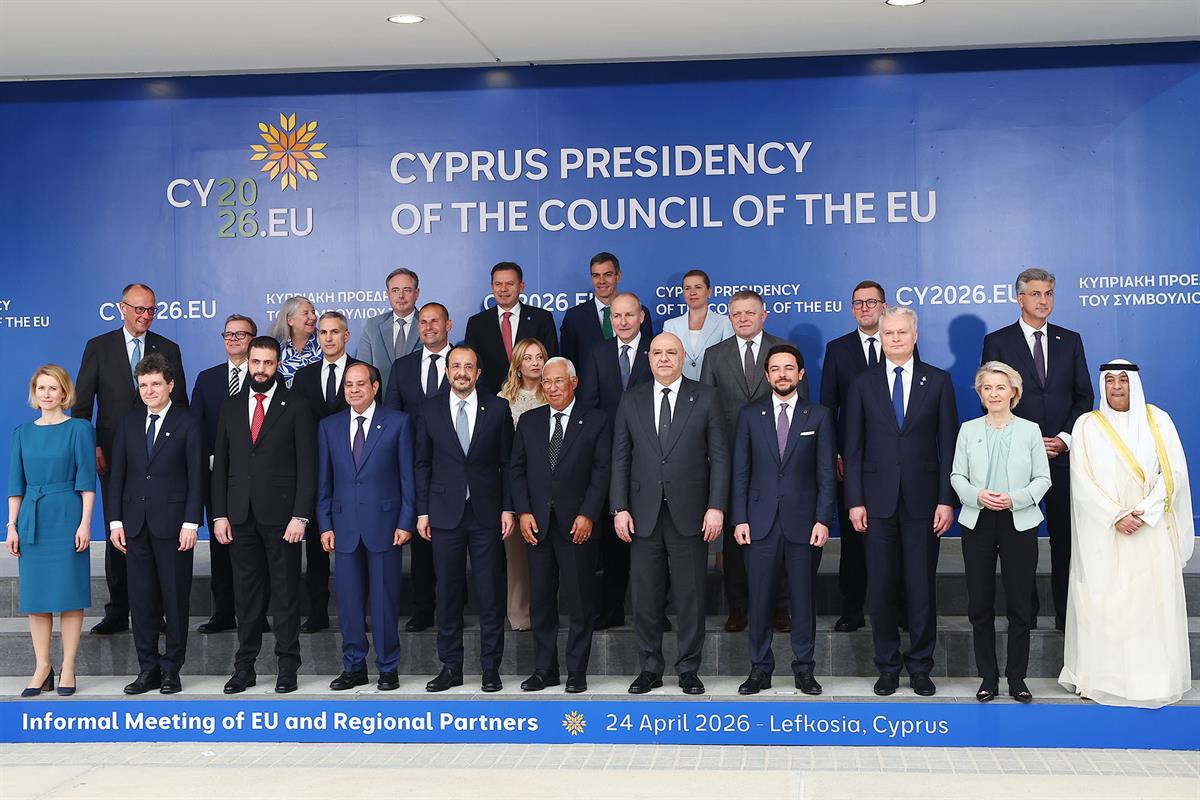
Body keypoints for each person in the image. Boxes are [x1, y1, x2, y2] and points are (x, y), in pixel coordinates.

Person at [1059, 360, 1193, 708]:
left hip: (1149, 529)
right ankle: (1104, 678)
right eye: (1110, 381)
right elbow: (1082, 481)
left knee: (1151, 604)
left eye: (1123, 380)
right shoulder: (1087, 425)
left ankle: (1153, 678)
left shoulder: (1157, 419)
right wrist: (1116, 515)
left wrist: (1144, 513)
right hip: (1106, 532)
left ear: (1134, 383)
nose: (1117, 387)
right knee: (1105, 604)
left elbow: (1173, 472)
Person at [843, 306, 957, 697]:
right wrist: (855, 500)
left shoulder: (938, 381)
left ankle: (921, 667)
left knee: (922, 587)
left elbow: (949, 446)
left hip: (925, 505)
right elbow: (852, 448)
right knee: (881, 587)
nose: (894, 338)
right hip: (875, 503)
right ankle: (888, 666)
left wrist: (946, 500)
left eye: (902, 332)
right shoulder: (862, 383)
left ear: (915, 335)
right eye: (888, 332)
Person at [611, 332, 728, 696]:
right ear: (649, 358)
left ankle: (689, 669)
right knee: (645, 597)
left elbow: (721, 457)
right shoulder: (631, 399)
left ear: (683, 358)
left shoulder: (706, 397)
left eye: (671, 353)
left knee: (690, 595)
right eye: (657, 353)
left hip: (692, 514)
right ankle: (650, 667)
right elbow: (620, 458)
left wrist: (716, 506)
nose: (664, 358)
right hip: (642, 515)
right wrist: (619, 508)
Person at [72, 282, 187, 635]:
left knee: (158, 532)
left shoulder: (168, 348)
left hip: (161, 456)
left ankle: (159, 612)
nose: (145, 316)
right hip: (114, 456)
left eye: (151, 309)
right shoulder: (99, 347)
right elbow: (82, 404)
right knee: (120, 529)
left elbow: (179, 404)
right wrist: (91, 445)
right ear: (121, 308)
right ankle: (118, 610)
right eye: (139, 309)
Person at [981, 268, 1092, 630]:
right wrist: (1026, 441)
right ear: (1020, 298)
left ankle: (1066, 616)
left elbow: (1083, 396)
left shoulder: (1070, 340)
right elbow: (993, 398)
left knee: (1065, 542)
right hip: (1017, 460)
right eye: (1036, 294)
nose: (1043, 301)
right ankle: (1024, 616)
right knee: (1020, 545)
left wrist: (1064, 438)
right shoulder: (998, 341)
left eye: (1048, 294)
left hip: (1062, 458)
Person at [211, 336, 315, 694]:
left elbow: (308, 465)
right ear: (248, 362)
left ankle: (288, 667)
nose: (260, 370)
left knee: (286, 594)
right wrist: (219, 515)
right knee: (247, 596)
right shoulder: (230, 407)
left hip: (283, 518)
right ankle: (245, 668)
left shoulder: (297, 406)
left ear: (277, 365)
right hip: (240, 517)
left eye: (268, 363)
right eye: (255, 363)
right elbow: (221, 466)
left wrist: (300, 516)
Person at [730, 344, 835, 696]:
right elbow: (740, 471)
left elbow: (825, 475)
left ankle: (804, 669)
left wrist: (824, 519)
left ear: (801, 374)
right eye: (775, 369)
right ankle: (760, 668)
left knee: (803, 600)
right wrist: (739, 517)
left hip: (805, 524)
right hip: (758, 523)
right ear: (767, 375)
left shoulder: (818, 416)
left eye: (789, 368)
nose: (782, 374)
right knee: (759, 600)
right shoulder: (749, 414)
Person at [700, 290, 804, 634]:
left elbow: (801, 407)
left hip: (777, 460)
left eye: (749, 312)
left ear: (764, 315)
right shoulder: (715, 355)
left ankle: (779, 606)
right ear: (729, 318)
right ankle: (738, 607)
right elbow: (706, 409)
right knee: (735, 538)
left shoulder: (783, 351)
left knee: (780, 532)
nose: (742, 318)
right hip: (729, 459)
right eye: (736, 314)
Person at [415, 346, 514, 693]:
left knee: (489, 592)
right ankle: (451, 667)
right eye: (455, 366)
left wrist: (508, 508)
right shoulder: (428, 411)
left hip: (487, 513)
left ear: (478, 372)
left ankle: (491, 668)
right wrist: (423, 510)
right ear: (446, 371)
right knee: (448, 593)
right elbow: (422, 464)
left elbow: (508, 464)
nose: (461, 372)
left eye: (468, 366)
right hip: (444, 515)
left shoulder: (499, 408)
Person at [950, 362, 1051, 703]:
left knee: (1020, 603)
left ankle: (1017, 677)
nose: (994, 393)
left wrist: (1015, 498)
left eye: (1000, 387)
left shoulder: (1030, 430)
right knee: (980, 603)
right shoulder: (968, 430)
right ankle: (988, 677)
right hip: (978, 520)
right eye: (987, 388)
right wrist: (977, 495)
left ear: (1014, 392)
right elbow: (956, 477)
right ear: (980, 394)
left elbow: (1043, 479)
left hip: (1018, 520)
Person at [510, 357, 611, 693]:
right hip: (537, 526)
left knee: (579, 601)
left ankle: (576, 671)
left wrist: (588, 514)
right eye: (547, 382)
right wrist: (523, 512)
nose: (552, 387)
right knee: (540, 601)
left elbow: (601, 472)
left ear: (574, 382)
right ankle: (544, 669)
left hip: (577, 525)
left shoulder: (596, 420)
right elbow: (517, 471)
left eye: (559, 381)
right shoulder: (529, 421)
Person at [106, 354, 204, 695]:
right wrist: (115, 521)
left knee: (175, 600)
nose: (149, 390)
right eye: (143, 385)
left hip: (175, 526)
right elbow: (117, 475)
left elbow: (197, 477)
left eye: (155, 384)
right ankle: (147, 668)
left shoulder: (188, 422)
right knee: (141, 601)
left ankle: (171, 670)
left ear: (170, 386)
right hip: (134, 527)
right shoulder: (129, 423)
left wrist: (192, 522)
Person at [821, 280, 913, 633]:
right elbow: (829, 408)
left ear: (884, 306)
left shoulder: (901, 345)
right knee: (854, 539)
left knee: (900, 541)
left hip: (896, 464)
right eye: (858, 303)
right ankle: (852, 608)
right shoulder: (838, 349)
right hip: (853, 462)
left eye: (871, 302)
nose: (864, 308)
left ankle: (901, 608)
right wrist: (837, 454)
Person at [317, 363, 415, 692]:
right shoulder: (329, 427)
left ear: (375, 387)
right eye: (348, 385)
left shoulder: (398, 423)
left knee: (385, 602)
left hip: (386, 526)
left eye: (361, 384)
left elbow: (407, 479)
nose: (354, 390)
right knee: (348, 602)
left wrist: (406, 521)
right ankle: (354, 666)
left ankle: (388, 667)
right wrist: (325, 523)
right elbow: (324, 482)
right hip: (343, 527)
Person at [7, 365, 96, 697]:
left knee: (70, 596)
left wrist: (85, 522)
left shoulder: (80, 429)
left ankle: (69, 666)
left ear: (64, 393)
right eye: (41, 388)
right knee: (36, 599)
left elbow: (87, 482)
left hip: (67, 514)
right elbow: (15, 485)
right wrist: (12, 525)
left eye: (53, 388)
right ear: (34, 393)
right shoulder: (22, 433)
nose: (46, 394)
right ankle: (42, 666)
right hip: (32, 519)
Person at [577, 291, 653, 630]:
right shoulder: (597, 354)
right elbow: (590, 406)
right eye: (616, 316)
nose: (622, 321)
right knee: (612, 541)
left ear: (641, 317)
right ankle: (611, 609)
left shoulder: (659, 351)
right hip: (610, 456)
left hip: (651, 457)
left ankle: (653, 612)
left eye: (628, 315)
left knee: (652, 540)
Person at [290, 311, 363, 634]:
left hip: (356, 473)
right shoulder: (304, 378)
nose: (329, 338)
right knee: (318, 546)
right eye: (323, 332)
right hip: (318, 471)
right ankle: (317, 612)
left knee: (359, 545)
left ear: (346, 336)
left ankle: (362, 613)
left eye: (335, 332)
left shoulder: (363, 372)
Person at [382, 302, 453, 631]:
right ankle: (424, 608)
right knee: (422, 542)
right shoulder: (403, 366)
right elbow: (391, 416)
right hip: (414, 466)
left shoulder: (464, 362)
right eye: (423, 322)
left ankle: (451, 606)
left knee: (452, 539)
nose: (428, 328)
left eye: (434, 322)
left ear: (448, 325)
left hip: (453, 465)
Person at [190, 314, 257, 634]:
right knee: (220, 547)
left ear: (253, 340)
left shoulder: (266, 375)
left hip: (253, 478)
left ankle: (254, 615)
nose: (233, 340)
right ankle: (223, 613)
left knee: (253, 548)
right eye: (228, 335)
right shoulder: (207, 378)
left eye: (240, 335)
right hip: (216, 477)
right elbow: (196, 428)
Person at [496, 337, 550, 631]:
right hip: (515, 486)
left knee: (544, 554)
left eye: (539, 356)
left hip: (547, 486)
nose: (534, 363)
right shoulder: (503, 399)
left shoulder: (553, 394)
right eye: (528, 358)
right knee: (516, 557)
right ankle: (519, 616)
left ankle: (545, 612)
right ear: (517, 364)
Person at [465, 261, 559, 395]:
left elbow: (551, 361)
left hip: (535, 398)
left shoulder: (542, 318)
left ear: (521, 286)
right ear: (492, 287)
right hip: (489, 400)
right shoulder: (477, 323)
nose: (503, 289)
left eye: (509, 284)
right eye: (498, 284)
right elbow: (472, 365)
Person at [559, 251, 655, 369]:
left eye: (608, 274)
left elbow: (647, 356)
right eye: (596, 275)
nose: (601, 281)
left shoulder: (639, 311)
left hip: (635, 387)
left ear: (618, 276)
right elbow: (569, 365)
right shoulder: (574, 317)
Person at [356, 268, 422, 391]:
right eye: (395, 290)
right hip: (382, 402)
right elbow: (362, 369)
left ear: (417, 293)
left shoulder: (427, 325)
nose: (401, 296)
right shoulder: (373, 325)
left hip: (419, 404)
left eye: (407, 290)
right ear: (388, 294)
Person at [662, 269, 732, 380]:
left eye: (698, 287)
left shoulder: (725, 323)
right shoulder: (670, 326)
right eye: (687, 288)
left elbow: (729, 362)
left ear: (709, 291)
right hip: (681, 390)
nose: (692, 292)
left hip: (714, 389)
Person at [269, 295, 320, 388]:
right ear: (290, 321)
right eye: (306, 313)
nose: (313, 317)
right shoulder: (275, 347)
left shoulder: (325, 344)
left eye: (313, 312)